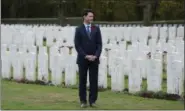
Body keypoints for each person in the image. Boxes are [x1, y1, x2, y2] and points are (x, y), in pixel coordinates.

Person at [74, 9, 102, 108]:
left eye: (92, 16)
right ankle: (83, 101)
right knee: (82, 80)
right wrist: (85, 55)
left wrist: (96, 55)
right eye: (90, 16)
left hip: (94, 59)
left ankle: (93, 101)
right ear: (84, 17)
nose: (92, 18)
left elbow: (99, 44)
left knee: (94, 80)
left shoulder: (96, 29)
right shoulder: (78, 29)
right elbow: (77, 45)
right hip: (83, 59)